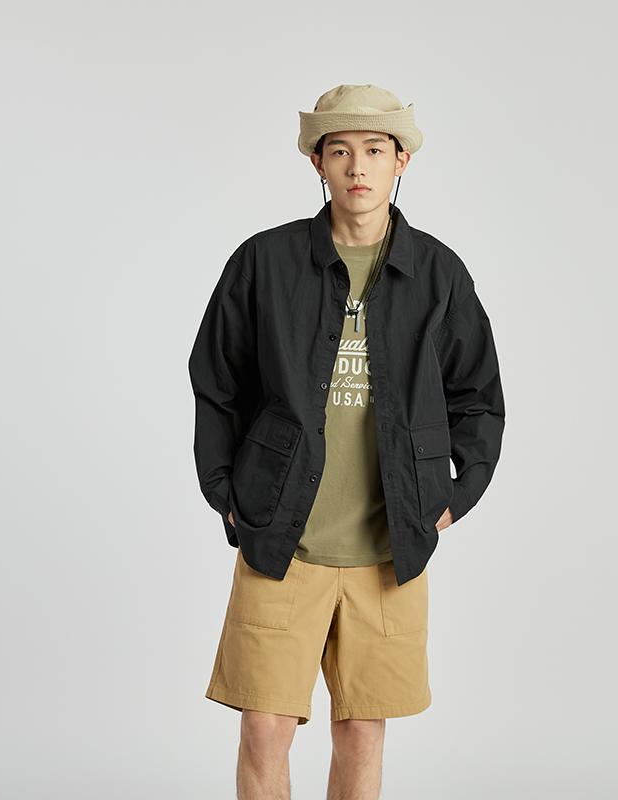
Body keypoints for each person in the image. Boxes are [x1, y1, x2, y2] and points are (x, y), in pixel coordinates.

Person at [188, 83, 506, 799]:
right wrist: (226, 493)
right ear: (318, 163)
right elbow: (216, 381)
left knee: (362, 732)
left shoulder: (438, 273)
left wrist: (452, 498)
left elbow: (479, 398)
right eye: (340, 151)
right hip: (281, 542)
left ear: (401, 161)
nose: (358, 167)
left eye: (374, 150)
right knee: (264, 727)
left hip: (390, 550)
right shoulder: (264, 263)